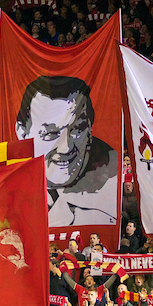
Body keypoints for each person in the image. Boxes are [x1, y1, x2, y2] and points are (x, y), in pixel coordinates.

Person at [14, 76, 118, 226]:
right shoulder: (5, 189)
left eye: (77, 130)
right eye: (51, 134)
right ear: (22, 132)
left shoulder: (113, 187)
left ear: (90, 128)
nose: (66, 148)